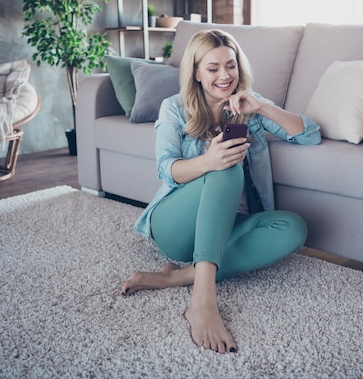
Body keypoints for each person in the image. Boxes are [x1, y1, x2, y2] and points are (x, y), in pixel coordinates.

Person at [121, 29, 321, 354]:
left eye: (231, 65)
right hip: (175, 226)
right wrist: (209, 160)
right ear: (196, 73)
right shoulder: (173, 107)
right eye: (213, 68)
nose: (224, 75)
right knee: (226, 163)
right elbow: (166, 169)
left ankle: (178, 277)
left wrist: (262, 108)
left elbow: (310, 135)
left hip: (226, 226)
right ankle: (202, 301)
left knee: (293, 228)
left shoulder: (248, 105)